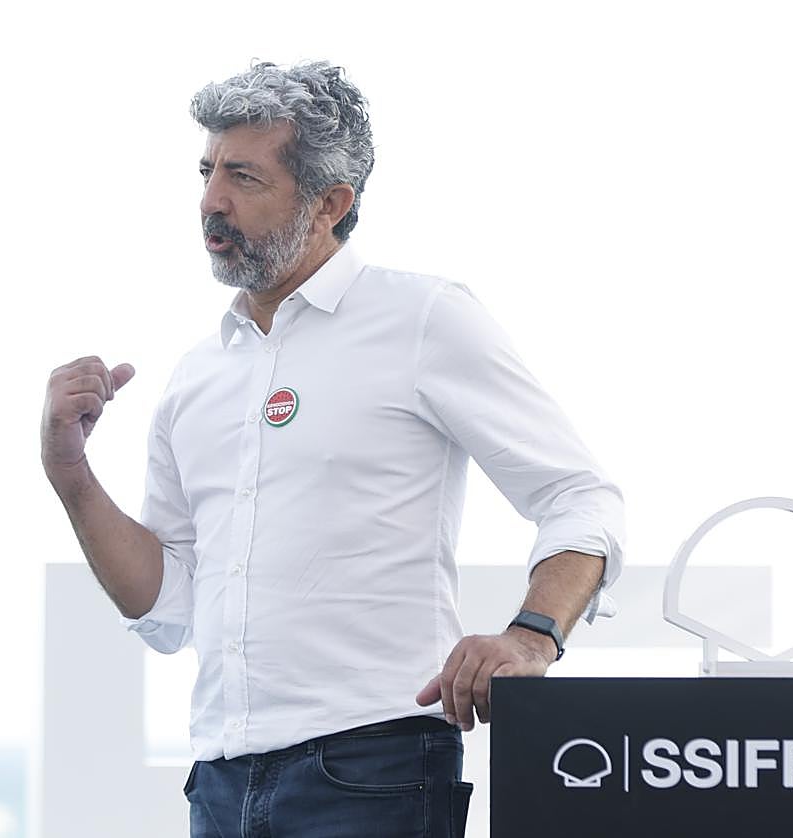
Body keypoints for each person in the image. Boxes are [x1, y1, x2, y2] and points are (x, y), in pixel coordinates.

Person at [40, 60, 625, 838]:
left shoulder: (423, 318)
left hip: (374, 770)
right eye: (208, 171)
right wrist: (71, 473)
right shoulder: (196, 376)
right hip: (218, 782)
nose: (211, 200)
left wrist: (533, 637)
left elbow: (580, 496)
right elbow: (169, 605)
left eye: (244, 176)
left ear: (330, 204)